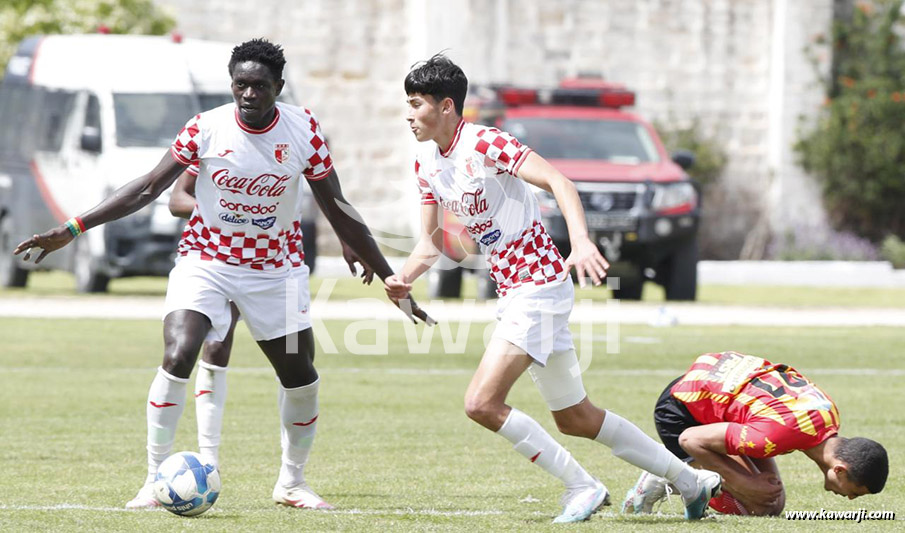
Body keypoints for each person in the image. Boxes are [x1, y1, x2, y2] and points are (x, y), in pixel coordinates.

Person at [14, 38, 431, 511]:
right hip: (206, 261)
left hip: (275, 270)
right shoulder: (206, 128)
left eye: (259, 86)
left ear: (278, 86)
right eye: (240, 85)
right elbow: (150, 188)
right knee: (179, 353)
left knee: (299, 374)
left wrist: (389, 276)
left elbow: (336, 204)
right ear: (231, 84)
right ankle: (153, 480)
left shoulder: (303, 130)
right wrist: (72, 228)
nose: (249, 94)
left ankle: (292, 483)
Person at [384, 53, 721, 523]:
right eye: (407, 103)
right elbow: (431, 241)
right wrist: (404, 278)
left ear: (446, 106)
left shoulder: (486, 142)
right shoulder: (426, 162)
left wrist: (580, 242)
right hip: (518, 292)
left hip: (539, 285)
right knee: (576, 418)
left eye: (416, 103)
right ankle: (690, 481)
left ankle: (583, 486)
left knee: (481, 403)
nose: (408, 114)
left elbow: (560, 183)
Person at [167, 167, 375, 474]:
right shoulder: (216, 141)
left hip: (279, 265)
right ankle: (209, 461)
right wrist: (228, 214)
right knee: (216, 345)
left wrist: (348, 238)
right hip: (221, 259)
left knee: (293, 362)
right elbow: (177, 198)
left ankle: (291, 476)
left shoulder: (297, 139)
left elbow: (328, 194)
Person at [622, 351, 888, 516]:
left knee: (772, 503)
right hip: (681, 409)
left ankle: (686, 476)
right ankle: (667, 477)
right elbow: (689, 439)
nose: (850, 498)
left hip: (716, 384)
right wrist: (742, 482)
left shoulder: (829, 414)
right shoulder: (774, 436)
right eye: (855, 493)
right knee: (758, 505)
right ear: (839, 470)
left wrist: (752, 482)